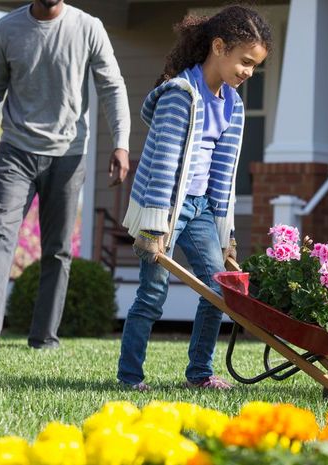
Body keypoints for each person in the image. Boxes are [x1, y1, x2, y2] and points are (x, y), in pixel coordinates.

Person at [0, 0, 131, 351]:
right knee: (0, 232)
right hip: (16, 150)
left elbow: (112, 87)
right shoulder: (7, 29)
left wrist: (121, 143)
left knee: (57, 249)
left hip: (69, 155)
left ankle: (44, 338)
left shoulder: (89, 27)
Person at [116, 5, 271, 391]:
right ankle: (130, 377)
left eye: (255, 66)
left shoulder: (232, 105)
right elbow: (162, 165)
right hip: (164, 208)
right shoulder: (180, 96)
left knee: (218, 291)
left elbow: (223, 175)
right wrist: (154, 226)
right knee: (152, 294)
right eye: (245, 62)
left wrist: (224, 229)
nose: (248, 72)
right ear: (219, 47)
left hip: (201, 207)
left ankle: (199, 374)